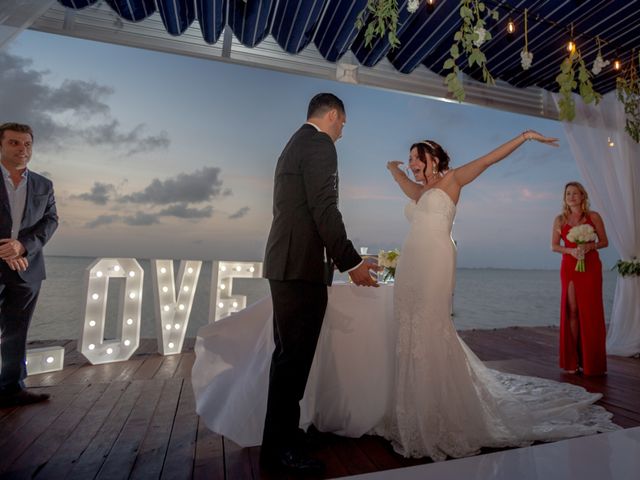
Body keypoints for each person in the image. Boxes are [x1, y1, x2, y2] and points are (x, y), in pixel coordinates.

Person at [377, 132, 618, 460]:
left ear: (434, 159)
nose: (412, 164)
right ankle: (414, 409)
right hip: (411, 262)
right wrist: (394, 169)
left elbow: (490, 159)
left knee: (431, 326)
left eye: (417, 157)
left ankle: (441, 413)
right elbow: (403, 183)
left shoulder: (453, 180)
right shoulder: (420, 191)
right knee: (410, 328)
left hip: (435, 259)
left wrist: (526, 137)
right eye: (410, 159)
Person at [260, 93, 378, 474]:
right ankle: (279, 450)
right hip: (299, 268)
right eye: (342, 123)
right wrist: (352, 263)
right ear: (331, 115)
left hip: (288, 264)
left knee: (289, 358)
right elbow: (325, 208)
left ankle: (285, 436)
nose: (342, 132)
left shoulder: (293, 143)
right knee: (292, 361)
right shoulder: (318, 144)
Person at [0, 122, 58, 407]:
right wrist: (5, 250)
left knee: (17, 329)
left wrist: (22, 246)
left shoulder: (43, 184)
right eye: (14, 143)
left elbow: (51, 221)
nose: (22, 149)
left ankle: (11, 388)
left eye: (27, 144)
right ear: (1, 145)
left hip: (27, 267)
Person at [552, 182, 608, 376]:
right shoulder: (560, 219)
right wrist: (571, 251)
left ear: (583, 196)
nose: (571, 196)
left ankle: (591, 362)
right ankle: (574, 359)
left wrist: (589, 247)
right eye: (568, 193)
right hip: (569, 266)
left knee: (590, 312)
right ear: (564, 197)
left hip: (590, 266)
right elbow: (554, 246)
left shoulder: (593, 217)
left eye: (575, 193)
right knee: (573, 310)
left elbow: (604, 241)